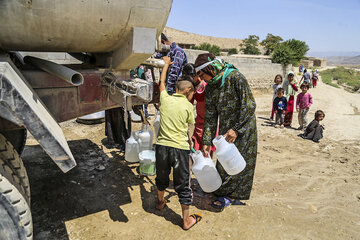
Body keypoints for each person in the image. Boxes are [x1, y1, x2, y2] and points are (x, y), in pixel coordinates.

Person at [194, 53, 257, 209]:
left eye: (202, 74)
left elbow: (249, 105)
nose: (201, 79)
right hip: (225, 131)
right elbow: (210, 116)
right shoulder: (210, 87)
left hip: (244, 127)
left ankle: (232, 196)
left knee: (240, 161)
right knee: (224, 162)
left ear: (210, 68)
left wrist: (236, 129)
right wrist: (206, 141)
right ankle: (223, 191)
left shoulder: (236, 78)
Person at [155, 56, 202, 230]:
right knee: (183, 184)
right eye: (192, 93)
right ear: (188, 90)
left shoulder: (165, 99)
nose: (192, 95)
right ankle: (186, 220)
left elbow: (161, 82)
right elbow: (190, 126)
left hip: (162, 147)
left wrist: (166, 65)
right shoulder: (189, 107)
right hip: (180, 150)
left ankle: (160, 202)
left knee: (161, 177)